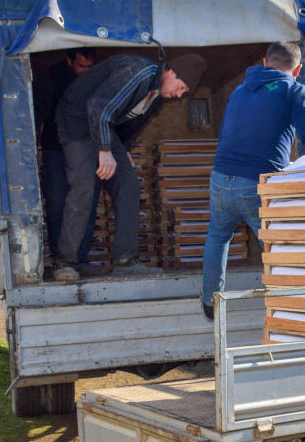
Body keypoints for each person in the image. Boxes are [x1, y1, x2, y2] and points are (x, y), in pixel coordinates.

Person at [201, 41, 305, 319]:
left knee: (218, 236)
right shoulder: (294, 90)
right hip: (257, 183)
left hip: (220, 177)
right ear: (298, 69)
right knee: (275, 245)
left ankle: (210, 304)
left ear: (265, 62)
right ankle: (290, 306)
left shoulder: (239, 91)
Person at [54, 52, 207, 281]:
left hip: (104, 128)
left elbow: (129, 123)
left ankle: (125, 261)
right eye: (181, 87)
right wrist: (105, 150)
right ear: (172, 72)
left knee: (128, 186)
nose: (178, 95)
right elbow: (98, 106)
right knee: (84, 188)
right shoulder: (138, 73)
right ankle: (65, 262)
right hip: (77, 120)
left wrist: (123, 149)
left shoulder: (156, 96)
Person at [33, 48, 104, 277]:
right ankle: (61, 261)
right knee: (57, 201)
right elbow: (36, 114)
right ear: (68, 60)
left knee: (87, 201)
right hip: (55, 148)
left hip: (86, 148)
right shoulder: (49, 79)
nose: (86, 71)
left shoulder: (95, 79)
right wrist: (35, 146)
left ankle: (79, 258)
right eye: (81, 66)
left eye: (90, 67)